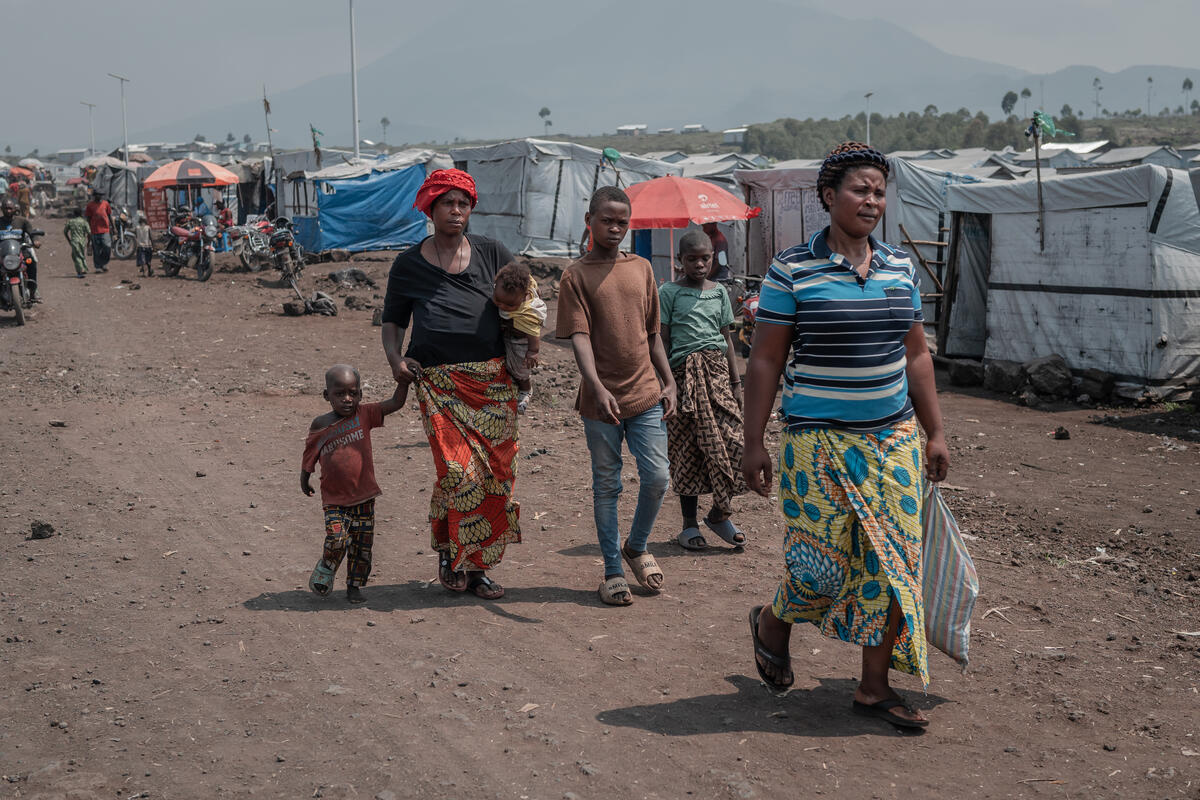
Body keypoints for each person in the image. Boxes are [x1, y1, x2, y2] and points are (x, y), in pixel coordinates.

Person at [742, 142, 950, 729]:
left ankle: (873, 688)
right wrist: (753, 441)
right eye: (860, 189)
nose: (872, 200)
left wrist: (935, 431)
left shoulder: (899, 268)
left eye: (880, 191)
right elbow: (764, 363)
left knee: (893, 566)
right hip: (816, 444)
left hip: (892, 443)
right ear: (829, 197)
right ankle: (773, 622)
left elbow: (916, 358)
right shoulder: (793, 269)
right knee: (820, 569)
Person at [381, 168, 520, 601]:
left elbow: (524, 297)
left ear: (471, 209)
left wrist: (528, 341)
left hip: (494, 385)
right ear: (430, 208)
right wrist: (394, 359)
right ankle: (453, 553)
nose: (456, 210)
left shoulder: (493, 252)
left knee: (495, 477)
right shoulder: (407, 264)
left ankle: (474, 566)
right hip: (439, 386)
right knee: (459, 474)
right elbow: (392, 322)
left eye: (463, 203)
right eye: (447, 203)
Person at [556, 186, 677, 606]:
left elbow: (652, 334)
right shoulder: (575, 275)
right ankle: (611, 570)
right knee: (606, 486)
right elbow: (580, 337)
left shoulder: (642, 268)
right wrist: (595, 385)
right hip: (599, 402)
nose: (615, 228)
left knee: (658, 477)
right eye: (607, 220)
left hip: (644, 392)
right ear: (589, 220)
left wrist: (670, 380)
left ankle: (637, 545)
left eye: (623, 222)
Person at [659, 229, 747, 551]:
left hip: (718, 377)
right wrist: (666, 384)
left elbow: (726, 339)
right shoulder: (668, 292)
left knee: (735, 443)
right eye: (691, 259)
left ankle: (719, 513)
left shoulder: (720, 293)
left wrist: (737, 383)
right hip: (683, 379)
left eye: (705, 258)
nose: (699, 264)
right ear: (679, 261)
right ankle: (689, 525)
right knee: (688, 451)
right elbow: (663, 340)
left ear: (713, 258)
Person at [301, 365, 409, 604]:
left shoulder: (365, 414)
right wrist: (304, 477)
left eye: (353, 393)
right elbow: (310, 453)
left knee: (362, 548)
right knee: (337, 538)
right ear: (326, 395)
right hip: (335, 499)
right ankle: (328, 565)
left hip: (364, 497)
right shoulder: (321, 425)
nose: (347, 399)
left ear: (360, 394)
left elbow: (396, 403)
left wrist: (404, 381)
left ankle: (354, 587)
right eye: (340, 394)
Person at [491, 261, 547, 414]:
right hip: (507, 332)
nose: (502, 306)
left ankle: (525, 389)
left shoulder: (528, 312)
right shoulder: (510, 287)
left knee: (520, 370)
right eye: (498, 301)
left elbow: (533, 335)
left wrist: (532, 352)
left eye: (509, 306)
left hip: (520, 341)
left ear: (523, 296)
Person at [0, 198, 41, 299]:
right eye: (6, 208)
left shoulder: (22, 221)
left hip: (20, 251)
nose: (8, 211)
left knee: (31, 263)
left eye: (10, 208)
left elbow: (31, 233)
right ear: (1, 209)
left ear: (14, 209)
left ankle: (33, 290)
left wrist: (35, 240)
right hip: (3, 253)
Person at [84, 190, 112, 273]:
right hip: (94, 230)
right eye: (97, 195)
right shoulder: (90, 205)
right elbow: (88, 218)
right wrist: (88, 229)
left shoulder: (106, 204)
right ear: (94, 196)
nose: (99, 196)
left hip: (105, 229)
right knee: (96, 249)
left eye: (100, 195)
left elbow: (109, 215)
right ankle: (98, 266)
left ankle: (104, 263)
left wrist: (114, 227)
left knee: (107, 247)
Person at [63, 207, 91, 278]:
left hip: (74, 241)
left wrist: (69, 240)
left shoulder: (71, 221)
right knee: (81, 255)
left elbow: (65, 232)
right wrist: (88, 242)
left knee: (77, 256)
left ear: (74, 214)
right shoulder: (84, 221)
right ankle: (83, 268)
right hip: (83, 241)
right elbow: (89, 233)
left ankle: (80, 272)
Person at [134, 212, 154, 277]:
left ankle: (144, 273)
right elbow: (151, 237)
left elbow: (136, 236)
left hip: (140, 246)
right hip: (148, 246)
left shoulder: (137, 228)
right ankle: (149, 270)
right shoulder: (148, 228)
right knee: (148, 260)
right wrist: (153, 245)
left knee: (143, 260)